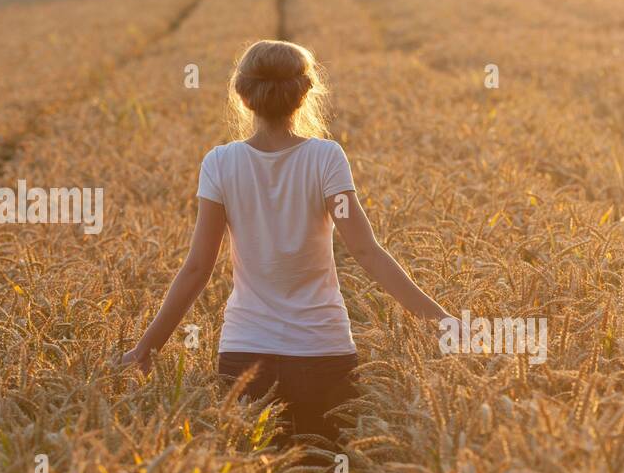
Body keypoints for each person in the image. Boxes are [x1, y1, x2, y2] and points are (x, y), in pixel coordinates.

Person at [120, 39, 449, 445]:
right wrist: (442, 322)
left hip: (246, 357)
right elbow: (365, 251)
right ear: (305, 93)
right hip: (323, 352)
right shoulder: (326, 158)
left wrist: (144, 350)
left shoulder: (220, 163)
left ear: (242, 95)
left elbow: (197, 269)